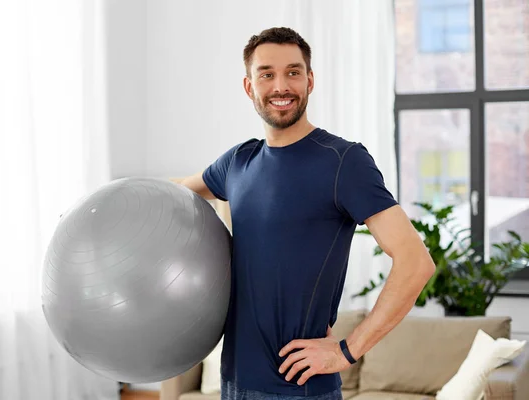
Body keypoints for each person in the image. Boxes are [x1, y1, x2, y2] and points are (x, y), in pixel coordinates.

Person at [176, 27, 435, 400]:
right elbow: (175, 198)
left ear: (310, 80)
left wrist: (348, 350)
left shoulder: (344, 161)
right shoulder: (237, 162)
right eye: (267, 74)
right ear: (249, 87)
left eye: (293, 72)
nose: (281, 86)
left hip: (300, 390)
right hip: (233, 383)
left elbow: (415, 262)